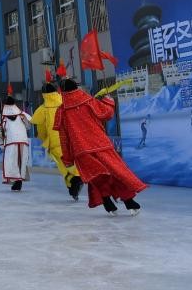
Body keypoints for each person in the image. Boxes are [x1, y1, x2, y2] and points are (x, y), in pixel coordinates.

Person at [53, 77, 147, 215]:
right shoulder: (89, 101)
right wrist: (108, 100)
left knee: (97, 177)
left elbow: (64, 138)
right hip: (101, 144)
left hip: (82, 151)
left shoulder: (62, 112)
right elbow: (106, 113)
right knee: (115, 172)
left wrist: (67, 158)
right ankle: (128, 201)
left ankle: (108, 203)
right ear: (76, 87)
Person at [31, 81, 82, 200]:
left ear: (43, 94)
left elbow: (41, 129)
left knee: (63, 166)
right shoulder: (65, 102)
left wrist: (44, 139)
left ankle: (74, 182)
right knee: (73, 161)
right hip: (71, 138)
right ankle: (75, 182)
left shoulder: (42, 109)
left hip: (55, 142)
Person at [0, 93, 32, 191]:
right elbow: (28, 126)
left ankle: (16, 181)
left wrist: (1, 144)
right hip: (23, 140)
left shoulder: (1, 117)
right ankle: (19, 180)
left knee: (11, 162)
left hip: (10, 142)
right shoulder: (22, 114)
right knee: (21, 161)